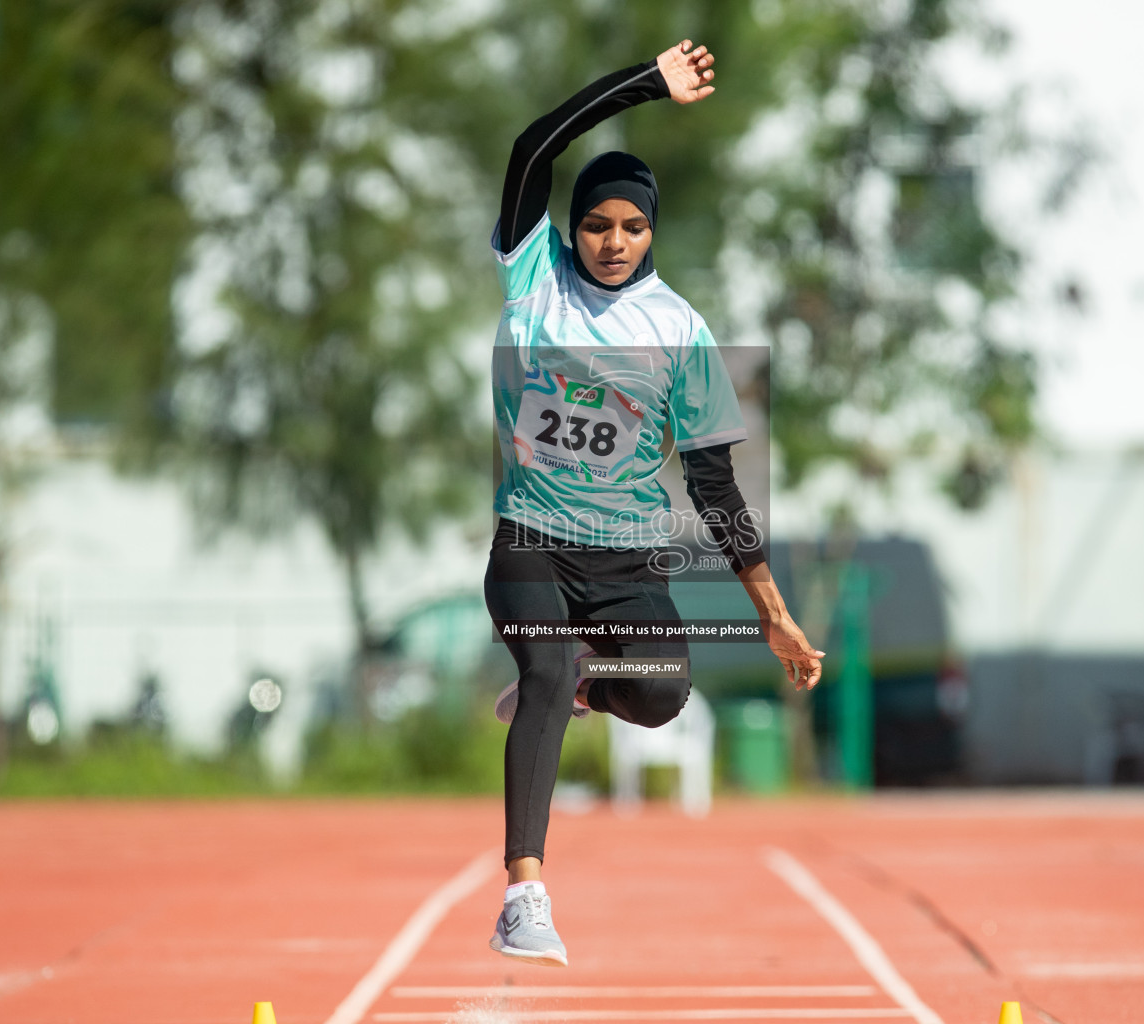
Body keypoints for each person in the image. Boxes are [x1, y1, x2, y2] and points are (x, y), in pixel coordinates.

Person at [484, 40, 825, 968]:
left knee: (665, 691)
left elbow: (716, 487)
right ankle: (525, 895)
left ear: (652, 233)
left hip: (623, 557)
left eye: (633, 227)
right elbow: (532, 150)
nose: (613, 241)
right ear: (576, 226)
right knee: (548, 676)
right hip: (530, 540)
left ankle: (575, 685)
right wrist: (645, 84)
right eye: (597, 223)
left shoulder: (680, 329)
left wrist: (777, 618)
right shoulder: (532, 273)